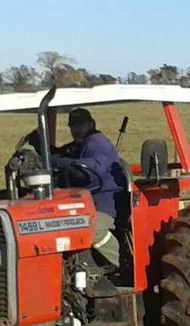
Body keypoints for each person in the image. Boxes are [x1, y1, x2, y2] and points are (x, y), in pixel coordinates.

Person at [26, 108, 127, 269]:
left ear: (90, 124)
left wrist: (67, 164)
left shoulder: (97, 144)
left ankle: (123, 265)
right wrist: (41, 146)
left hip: (106, 203)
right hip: (86, 201)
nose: (76, 129)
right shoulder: (80, 145)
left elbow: (92, 171)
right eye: (73, 126)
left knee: (93, 228)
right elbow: (60, 155)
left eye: (80, 125)